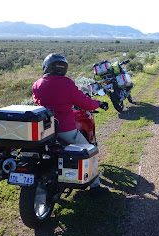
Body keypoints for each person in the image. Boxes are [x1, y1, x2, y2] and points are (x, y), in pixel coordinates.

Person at [32, 53, 109, 196]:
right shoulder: (67, 84)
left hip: (43, 129)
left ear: (46, 67)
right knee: (89, 150)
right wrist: (98, 104)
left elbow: (36, 100)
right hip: (64, 129)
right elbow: (84, 102)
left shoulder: (37, 84)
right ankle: (95, 187)